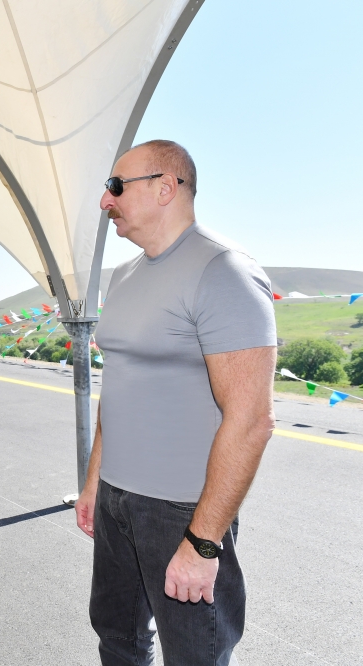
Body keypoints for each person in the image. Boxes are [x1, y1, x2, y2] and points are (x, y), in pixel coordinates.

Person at [77, 140, 276, 665]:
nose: (106, 200)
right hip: (116, 498)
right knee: (117, 637)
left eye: (116, 187)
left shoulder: (224, 271)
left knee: (194, 654)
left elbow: (252, 420)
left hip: (182, 511)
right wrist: (95, 482)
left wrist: (204, 542)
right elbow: (118, 387)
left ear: (165, 188)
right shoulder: (123, 276)